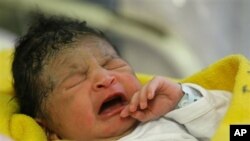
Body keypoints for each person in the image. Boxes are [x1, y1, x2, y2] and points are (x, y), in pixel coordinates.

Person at [12, 14, 231, 141]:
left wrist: (183, 101)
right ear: (49, 129)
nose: (105, 77)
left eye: (112, 64)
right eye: (74, 79)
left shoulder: (173, 115)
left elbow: (239, 130)